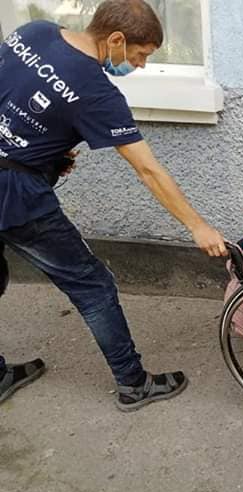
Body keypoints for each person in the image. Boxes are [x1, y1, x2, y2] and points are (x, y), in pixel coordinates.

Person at [0, 0, 228, 411]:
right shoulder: (97, 92)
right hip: (16, 197)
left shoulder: (33, 33)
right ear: (117, 39)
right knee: (93, 285)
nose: (140, 65)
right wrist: (197, 226)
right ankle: (133, 383)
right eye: (140, 55)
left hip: (14, 174)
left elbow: (15, 91)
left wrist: (44, 153)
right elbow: (148, 170)